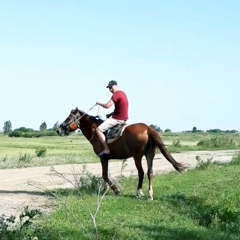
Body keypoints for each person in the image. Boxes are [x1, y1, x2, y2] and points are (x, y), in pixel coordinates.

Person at [96, 80, 129, 156]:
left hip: (117, 120)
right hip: (125, 119)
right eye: (109, 88)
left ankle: (106, 149)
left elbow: (107, 106)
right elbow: (120, 108)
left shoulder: (116, 95)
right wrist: (110, 114)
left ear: (116, 86)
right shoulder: (123, 93)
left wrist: (99, 103)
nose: (110, 90)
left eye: (111, 87)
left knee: (98, 130)